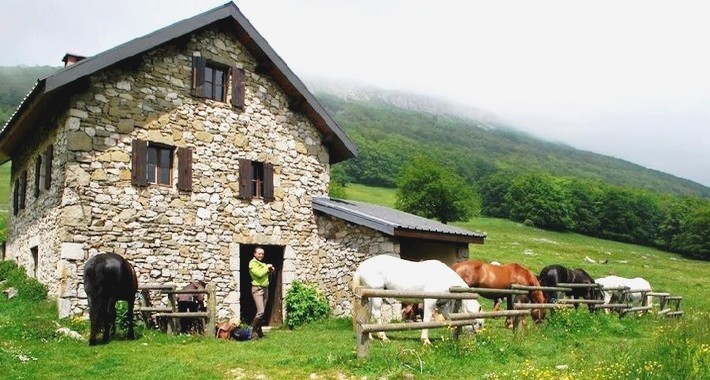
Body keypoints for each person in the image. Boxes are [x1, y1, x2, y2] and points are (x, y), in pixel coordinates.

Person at [249, 246, 273, 339]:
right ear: (255, 254)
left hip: (265, 288)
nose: (261, 255)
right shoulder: (252, 263)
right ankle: (253, 331)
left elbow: (264, 273)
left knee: (262, 313)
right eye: (259, 253)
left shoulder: (262, 264)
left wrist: (270, 271)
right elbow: (258, 274)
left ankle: (259, 331)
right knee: (260, 312)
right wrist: (267, 267)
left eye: (262, 254)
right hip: (257, 289)